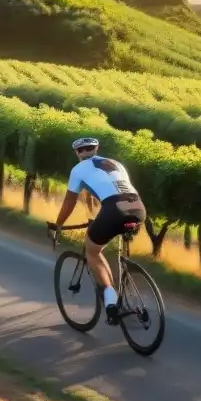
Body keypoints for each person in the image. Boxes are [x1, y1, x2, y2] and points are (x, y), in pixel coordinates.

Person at [51, 137, 146, 324]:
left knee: (92, 251)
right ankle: (123, 285)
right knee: (113, 238)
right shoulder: (115, 164)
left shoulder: (78, 169)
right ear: (96, 149)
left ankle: (111, 304)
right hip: (138, 207)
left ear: (77, 153)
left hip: (113, 210)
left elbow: (70, 202)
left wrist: (59, 224)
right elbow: (109, 189)